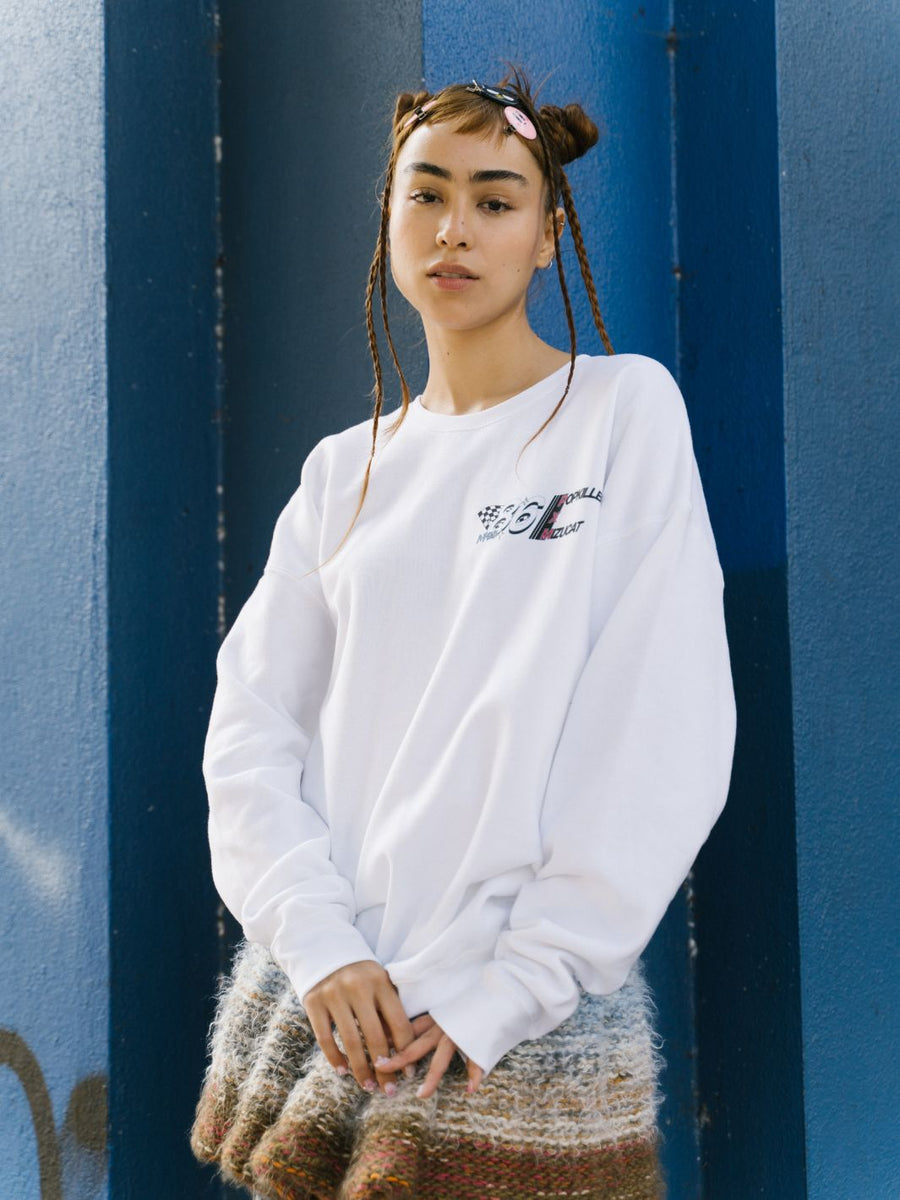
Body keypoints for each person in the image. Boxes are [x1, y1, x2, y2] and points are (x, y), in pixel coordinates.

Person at [190, 67, 737, 1200]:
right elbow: (250, 735)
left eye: (495, 200)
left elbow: (663, 726)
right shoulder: (342, 472)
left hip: (517, 1020)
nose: (456, 228)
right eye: (427, 194)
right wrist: (320, 944)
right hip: (331, 1008)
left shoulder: (622, 413)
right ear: (389, 218)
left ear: (548, 235)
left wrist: (521, 980)